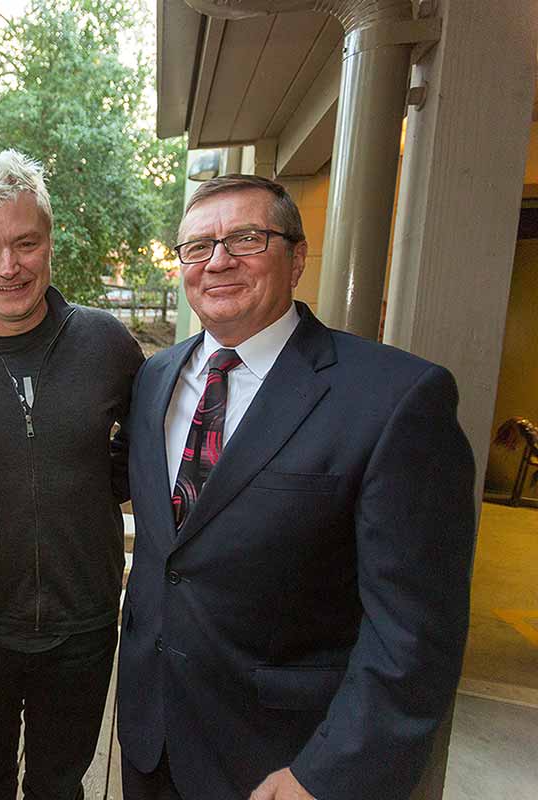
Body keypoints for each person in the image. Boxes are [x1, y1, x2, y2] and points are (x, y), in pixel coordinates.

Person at [117, 174, 476, 800]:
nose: (218, 260)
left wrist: (329, 775)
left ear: (297, 258)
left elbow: (414, 633)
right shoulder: (155, 378)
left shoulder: (394, 398)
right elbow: (172, 558)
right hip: (153, 738)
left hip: (285, 760)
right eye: (197, 247)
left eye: (247, 238)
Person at [0, 150, 144, 799]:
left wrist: (88, 483)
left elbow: (147, 447)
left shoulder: (107, 344)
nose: (8, 266)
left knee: (59, 782)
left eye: (25, 243)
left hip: (85, 620)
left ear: (50, 242)